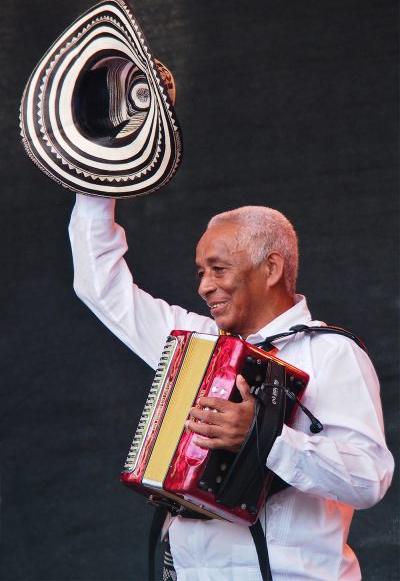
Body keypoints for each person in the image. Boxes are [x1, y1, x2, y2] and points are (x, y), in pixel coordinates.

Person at [69, 194, 394, 581]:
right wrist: (96, 185)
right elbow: (101, 288)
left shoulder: (331, 353)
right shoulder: (196, 344)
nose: (205, 286)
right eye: (200, 273)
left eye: (218, 269)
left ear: (271, 268)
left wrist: (266, 438)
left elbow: (368, 479)